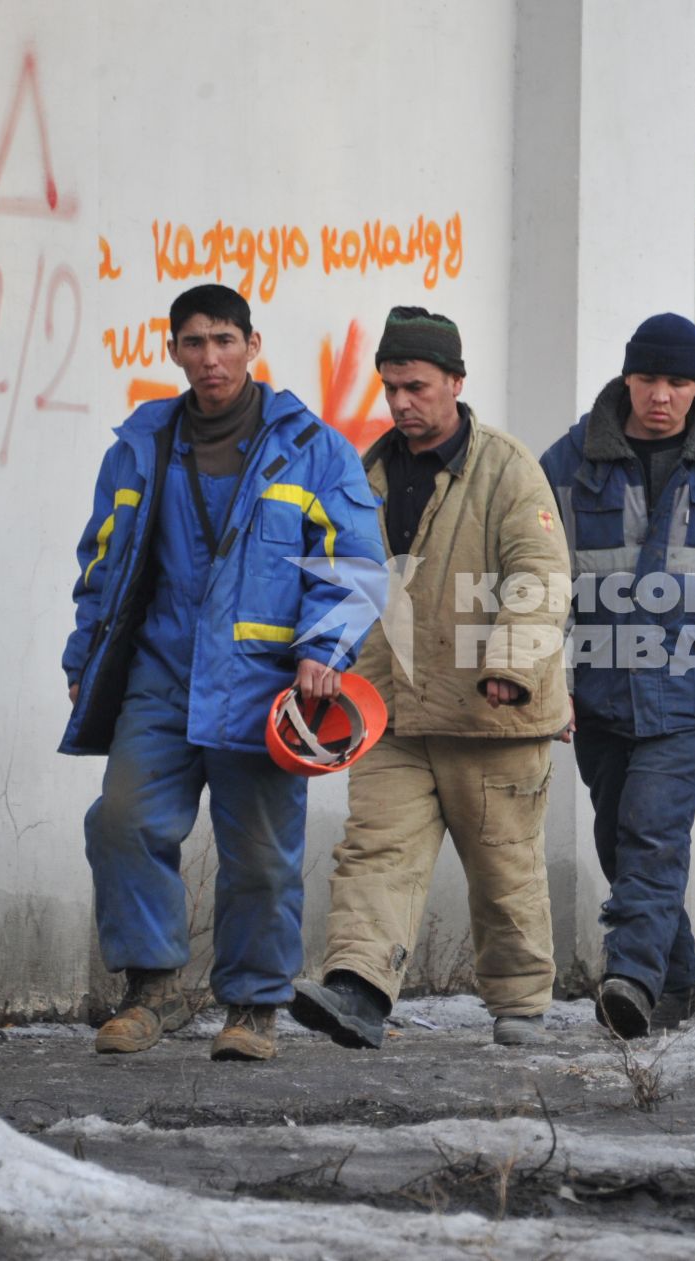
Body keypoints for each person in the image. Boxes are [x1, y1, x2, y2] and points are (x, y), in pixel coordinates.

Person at [61, 284, 385, 1062]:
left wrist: (323, 649)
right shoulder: (142, 444)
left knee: (261, 856)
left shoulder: (313, 446)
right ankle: (155, 988)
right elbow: (102, 561)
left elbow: (355, 562)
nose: (211, 357)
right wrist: (83, 659)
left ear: (253, 344)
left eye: (226, 340)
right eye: (195, 342)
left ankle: (253, 1005)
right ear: (172, 349)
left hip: (267, 684)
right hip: (163, 674)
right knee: (122, 821)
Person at [290, 308, 573, 1050]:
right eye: (390, 388)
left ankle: (519, 1007)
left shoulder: (510, 470)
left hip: (493, 716)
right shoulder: (364, 474)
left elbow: (541, 576)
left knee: (504, 869)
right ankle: (357, 988)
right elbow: (339, 576)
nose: (401, 403)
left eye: (416, 386)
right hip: (389, 713)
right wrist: (321, 657)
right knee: (374, 852)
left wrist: (511, 665)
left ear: (455, 381)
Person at [540, 313, 695, 1039]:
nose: (661, 396)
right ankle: (678, 980)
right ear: (626, 378)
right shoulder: (569, 461)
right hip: (601, 690)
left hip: (691, 691)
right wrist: (545, 683)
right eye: (648, 379)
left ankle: (631, 981)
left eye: (678, 382)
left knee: (651, 832)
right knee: (620, 842)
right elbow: (537, 579)